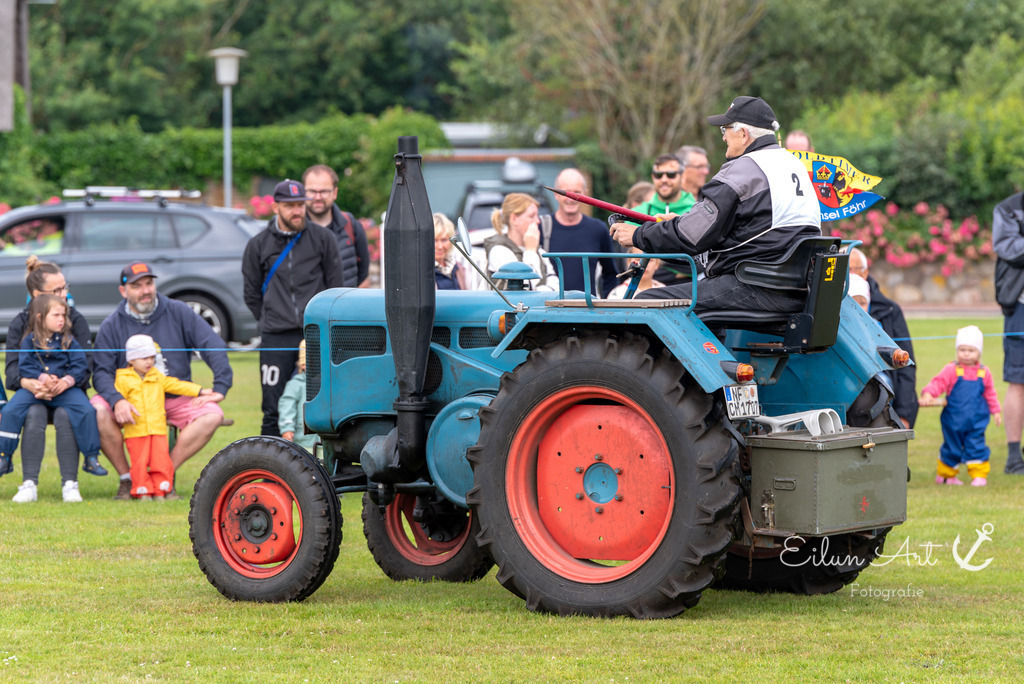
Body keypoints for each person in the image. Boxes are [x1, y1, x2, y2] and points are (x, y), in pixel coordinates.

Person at [611, 96, 821, 312]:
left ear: (743, 134)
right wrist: (684, 221)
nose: (723, 138)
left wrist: (637, 235)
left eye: (725, 129)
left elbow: (691, 236)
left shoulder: (742, 169)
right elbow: (757, 229)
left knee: (648, 299)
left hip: (756, 285)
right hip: (796, 286)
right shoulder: (794, 165)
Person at [92, 261, 232, 500]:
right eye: (137, 286)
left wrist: (220, 386)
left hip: (173, 396)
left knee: (212, 415)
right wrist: (116, 401)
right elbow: (101, 372)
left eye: (149, 283)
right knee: (97, 410)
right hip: (130, 399)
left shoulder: (178, 311)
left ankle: (163, 474)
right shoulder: (111, 325)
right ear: (123, 291)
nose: (145, 290)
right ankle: (129, 479)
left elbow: (211, 344)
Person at [243, 179, 344, 436]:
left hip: (314, 335)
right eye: (290, 206)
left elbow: (336, 289)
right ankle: (271, 472)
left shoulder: (324, 239)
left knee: (320, 405)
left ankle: (313, 470)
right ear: (276, 207)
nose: (297, 210)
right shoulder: (258, 244)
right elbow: (251, 293)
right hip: (276, 336)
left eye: (301, 204)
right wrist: (271, 318)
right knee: (272, 408)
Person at [4, 256, 107, 491]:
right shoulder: (20, 324)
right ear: (39, 295)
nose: (65, 293)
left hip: (68, 393)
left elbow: (85, 365)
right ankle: (26, 480)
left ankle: (71, 482)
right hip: (32, 394)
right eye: (58, 289)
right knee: (33, 412)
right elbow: (11, 368)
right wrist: (30, 383)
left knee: (66, 414)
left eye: (65, 287)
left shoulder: (75, 320)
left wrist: (66, 382)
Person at [115, 334, 214, 500]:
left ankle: (161, 490)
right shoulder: (123, 379)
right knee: (139, 462)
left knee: (161, 461)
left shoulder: (157, 376)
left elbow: (175, 385)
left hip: (158, 428)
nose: (149, 362)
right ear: (131, 360)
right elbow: (118, 398)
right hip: (136, 430)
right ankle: (142, 491)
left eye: (152, 357)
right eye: (144, 358)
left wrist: (199, 391)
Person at [920, 325, 1001, 487]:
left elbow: (990, 394)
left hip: (977, 420)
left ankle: (979, 475)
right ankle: (946, 476)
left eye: (971, 350)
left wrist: (996, 411)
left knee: (976, 445)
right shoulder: (952, 369)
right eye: (962, 349)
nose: (966, 353)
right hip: (953, 420)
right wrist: (929, 394)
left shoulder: (984, 373)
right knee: (951, 446)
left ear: (979, 352)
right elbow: (938, 383)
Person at [849, 247, 918, 428]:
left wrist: (904, 414)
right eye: (846, 270)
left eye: (854, 269)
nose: (850, 274)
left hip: (883, 388)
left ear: (865, 272)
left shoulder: (889, 310)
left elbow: (906, 364)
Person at [545, 168, 618, 297]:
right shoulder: (541, 228)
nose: (571, 198)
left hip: (587, 311)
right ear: (556, 194)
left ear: (586, 194)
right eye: (566, 193)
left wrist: (606, 307)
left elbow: (611, 274)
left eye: (577, 193)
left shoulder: (598, 229)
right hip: (549, 311)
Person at [992, 191, 1024, 474]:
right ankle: (1014, 458)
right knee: (1018, 382)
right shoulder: (1008, 208)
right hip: (1021, 306)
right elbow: (1008, 247)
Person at [303, 164, 370, 287]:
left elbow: (363, 272)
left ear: (335, 193)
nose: (318, 197)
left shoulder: (351, 225)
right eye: (312, 191)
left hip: (343, 305)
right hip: (307, 306)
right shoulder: (295, 229)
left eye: (324, 191)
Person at [483, 193, 559, 291]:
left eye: (537, 216)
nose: (538, 221)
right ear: (514, 219)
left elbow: (556, 288)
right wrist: (530, 250)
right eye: (532, 216)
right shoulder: (499, 251)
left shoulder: (540, 251)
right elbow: (526, 287)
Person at [278, 340, 318, 453]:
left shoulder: (327, 385)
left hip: (323, 442)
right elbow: (287, 406)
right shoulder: (296, 384)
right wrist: (287, 428)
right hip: (302, 443)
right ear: (303, 365)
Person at [433, 213, 469, 290]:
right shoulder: (422, 271)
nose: (440, 246)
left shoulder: (459, 268)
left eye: (444, 240)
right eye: (435, 240)